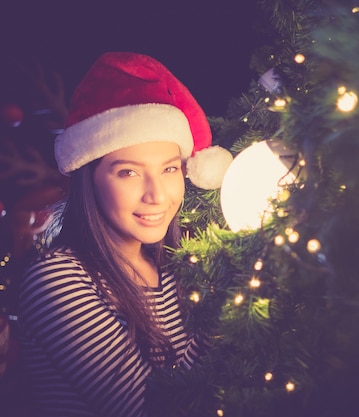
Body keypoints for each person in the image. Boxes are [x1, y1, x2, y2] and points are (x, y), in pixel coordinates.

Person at [17, 52, 231, 417]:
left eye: (169, 169)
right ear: (90, 180)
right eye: (129, 172)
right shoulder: (54, 281)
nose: (157, 195)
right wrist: (236, 300)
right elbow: (155, 409)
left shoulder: (175, 268)